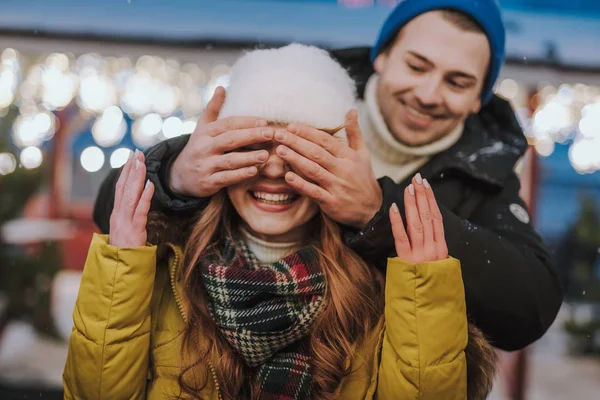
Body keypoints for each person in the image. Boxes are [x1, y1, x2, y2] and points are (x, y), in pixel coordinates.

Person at [93, 0, 562, 351]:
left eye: (457, 82)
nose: (428, 93)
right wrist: (174, 175)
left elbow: (530, 309)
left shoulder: (486, 172)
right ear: (382, 56)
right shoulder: (305, 91)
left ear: (480, 96)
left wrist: (380, 212)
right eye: (416, 66)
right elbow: (107, 207)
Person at [64, 45, 495, 400]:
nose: (272, 169)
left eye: (299, 149)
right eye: (253, 144)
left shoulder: (382, 288)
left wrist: (425, 293)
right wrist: (122, 269)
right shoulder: (160, 264)